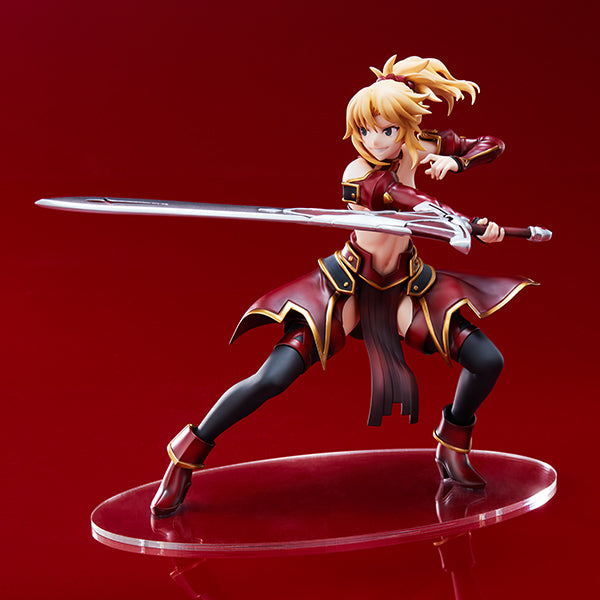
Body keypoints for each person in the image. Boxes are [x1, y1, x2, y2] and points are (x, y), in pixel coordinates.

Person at [150, 55, 535, 517]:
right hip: (349, 288)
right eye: (365, 130)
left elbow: (491, 145)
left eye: (387, 130)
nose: (375, 140)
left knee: (487, 360)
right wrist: (452, 218)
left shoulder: (419, 145)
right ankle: (185, 456)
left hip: (405, 287)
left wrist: (457, 163)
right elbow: (397, 195)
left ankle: (452, 444)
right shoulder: (357, 174)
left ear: (405, 128)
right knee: (272, 377)